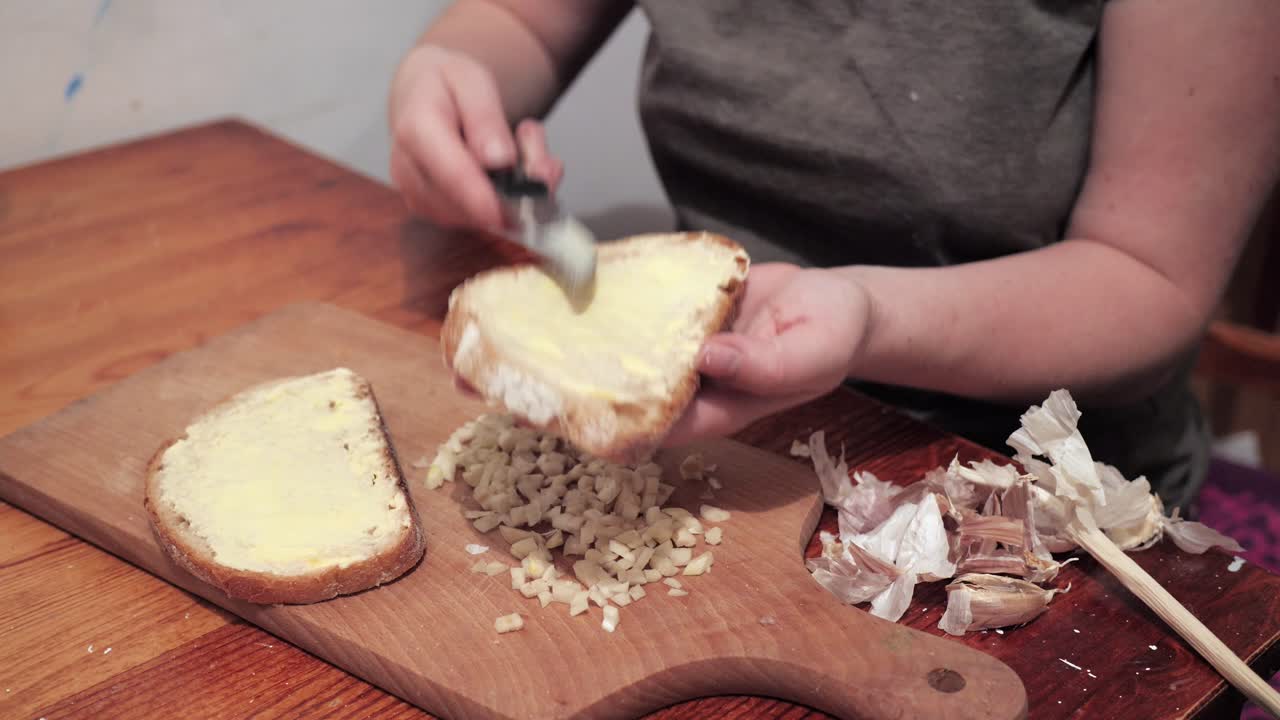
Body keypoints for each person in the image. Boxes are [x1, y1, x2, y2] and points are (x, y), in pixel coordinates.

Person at [386, 1, 1280, 513]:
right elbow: (519, 21)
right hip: (715, 452)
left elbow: (1149, 283)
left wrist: (870, 318)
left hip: (1034, 498)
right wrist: (451, 75)